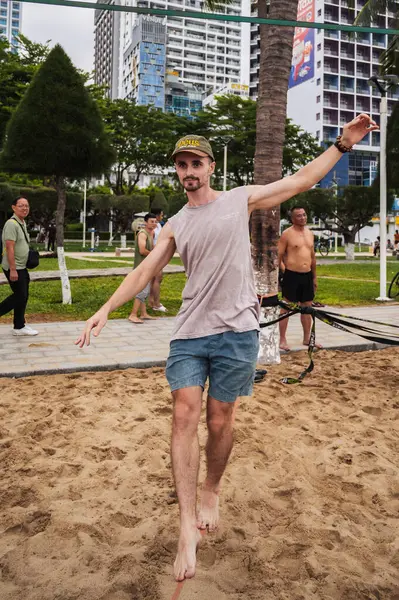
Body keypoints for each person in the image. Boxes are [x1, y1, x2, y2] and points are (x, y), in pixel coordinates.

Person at [76, 115, 377, 582]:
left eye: (195, 162)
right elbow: (145, 271)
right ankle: (185, 526)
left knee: (221, 420)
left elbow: (300, 181)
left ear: (211, 167)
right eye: (181, 164)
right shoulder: (175, 223)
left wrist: (343, 144)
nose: (188, 170)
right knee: (183, 415)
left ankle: (212, 489)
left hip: (237, 331)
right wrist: (106, 308)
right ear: (176, 171)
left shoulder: (240, 200)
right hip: (190, 333)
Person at [278, 206, 321, 352]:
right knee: (286, 308)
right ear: (292, 218)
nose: (302, 217)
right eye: (299, 216)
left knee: (307, 307)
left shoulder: (310, 233)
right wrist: (286, 272)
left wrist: (314, 277)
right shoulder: (287, 234)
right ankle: (282, 339)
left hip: (307, 275)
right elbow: (278, 256)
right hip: (292, 274)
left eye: (304, 214)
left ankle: (307, 338)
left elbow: (312, 256)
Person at [0, 197, 38, 336]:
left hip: (22, 266)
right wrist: (13, 269)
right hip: (14, 267)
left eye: (27, 206)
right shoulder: (11, 224)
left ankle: (19, 326)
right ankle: (18, 325)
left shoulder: (21, 222)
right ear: (14, 207)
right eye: (21, 205)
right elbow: (10, 248)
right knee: (20, 296)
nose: (25, 208)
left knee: (23, 296)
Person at [128, 212, 158, 324]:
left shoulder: (152, 233)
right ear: (146, 222)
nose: (154, 224)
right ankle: (133, 314)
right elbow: (142, 250)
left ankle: (143, 313)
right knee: (142, 290)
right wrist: (154, 255)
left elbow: (152, 247)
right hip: (141, 267)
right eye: (151, 221)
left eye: (155, 222)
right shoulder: (142, 234)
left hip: (147, 266)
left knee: (144, 290)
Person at [148, 207, 167, 313]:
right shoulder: (153, 228)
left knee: (155, 279)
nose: (162, 216)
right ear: (157, 215)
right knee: (158, 278)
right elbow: (150, 243)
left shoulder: (159, 225)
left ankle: (151, 301)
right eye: (161, 214)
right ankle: (157, 304)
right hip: (155, 255)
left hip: (159, 254)